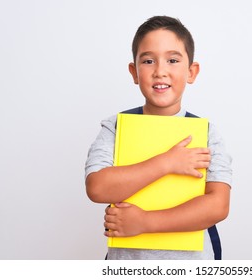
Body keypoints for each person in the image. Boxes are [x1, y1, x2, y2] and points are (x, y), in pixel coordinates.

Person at [85, 15, 232, 260]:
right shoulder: (116, 126)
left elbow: (218, 205)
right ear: (134, 72)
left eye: (173, 60)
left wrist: (145, 221)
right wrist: (167, 163)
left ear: (191, 72)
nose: (160, 71)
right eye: (148, 61)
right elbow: (98, 188)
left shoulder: (207, 133)